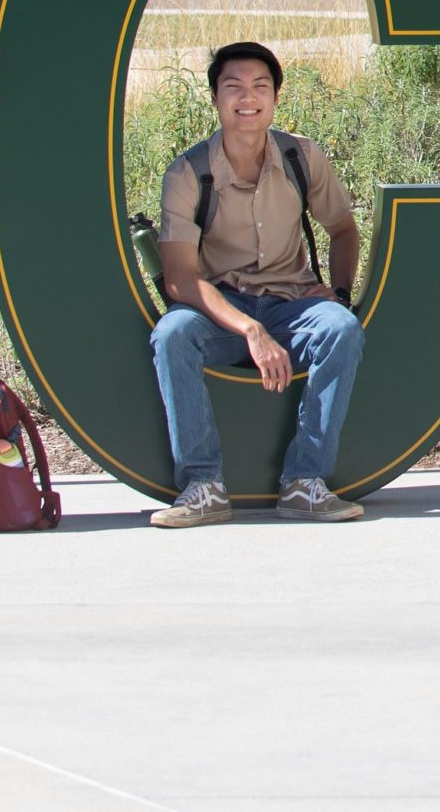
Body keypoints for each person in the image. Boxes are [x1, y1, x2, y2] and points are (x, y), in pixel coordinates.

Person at [146, 41, 367, 527]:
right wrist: (249, 328)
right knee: (172, 334)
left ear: (275, 96)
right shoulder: (188, 173)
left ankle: (304, 482)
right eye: (234, 87)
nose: (247, 98)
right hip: (220, 311)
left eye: (260, 86)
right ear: (214, 98)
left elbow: (343, 229)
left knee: (341, 328)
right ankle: (202, 486)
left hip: (292, 302)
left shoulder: (300, 156)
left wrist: (339, 292)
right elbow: (180, 279)